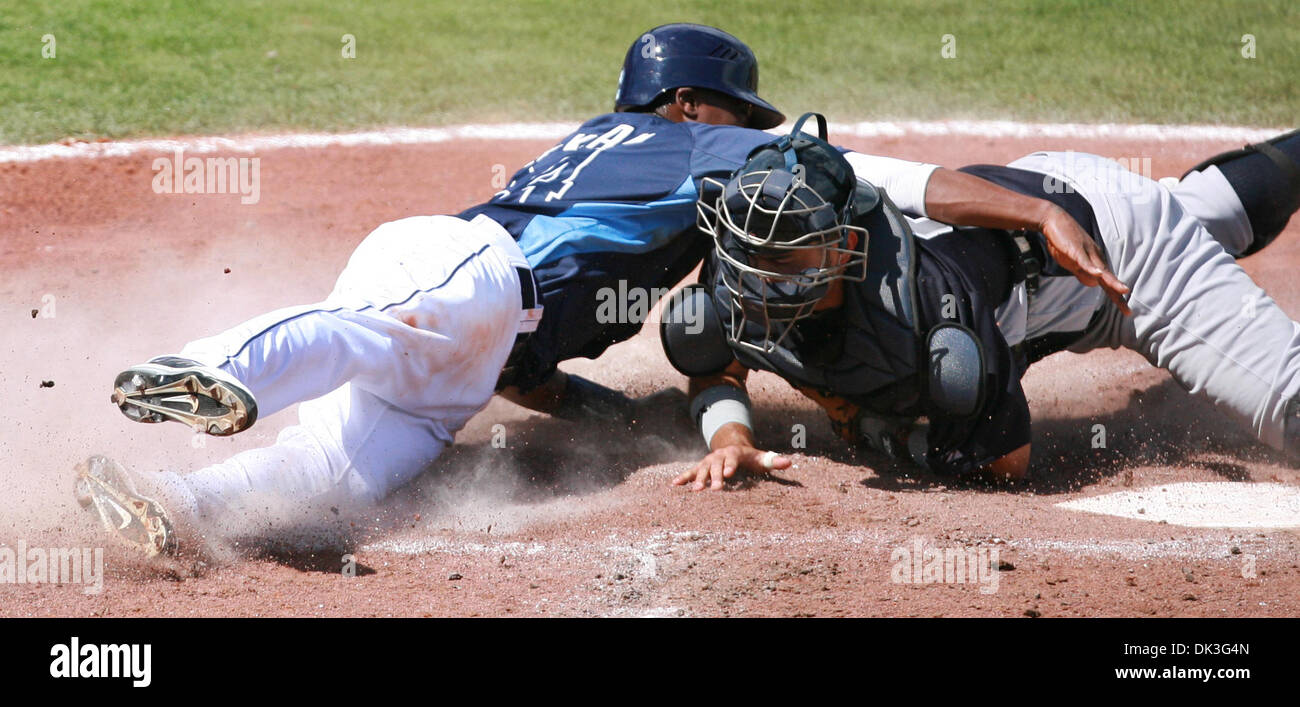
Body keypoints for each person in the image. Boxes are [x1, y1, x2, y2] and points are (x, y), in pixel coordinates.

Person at [76, 25, 1122, 558]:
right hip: (471, 267)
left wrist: (616, 422)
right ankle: (207, 367)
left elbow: (531, 372)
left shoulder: (620, 139)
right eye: (732, 110)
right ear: (685, 100)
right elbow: (881, 177)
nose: (748, 128)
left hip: (482, 321)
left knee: (345, 469)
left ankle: (174, 502)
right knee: (372, 335)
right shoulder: (697, 143)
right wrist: (1031, 213)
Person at [664, 116, 1300, 490]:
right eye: (750, 250)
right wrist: (730, 436)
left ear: (844, 249)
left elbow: (1006, 460)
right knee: (1206, 211)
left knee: (1290, 411)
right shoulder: (749, 258)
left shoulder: (920, 311)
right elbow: (716, 361)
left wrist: (876, 430)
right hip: (1037, 202)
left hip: (1126, 261)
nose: (757, 272)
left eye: (784, 255)